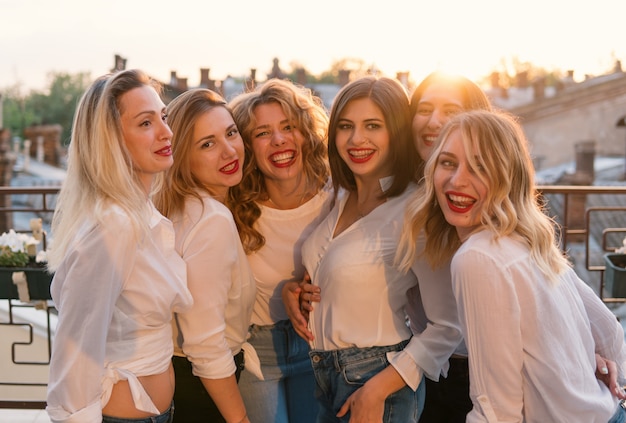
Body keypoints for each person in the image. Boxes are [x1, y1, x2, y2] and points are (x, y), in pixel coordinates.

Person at [398, 109, 626, 422]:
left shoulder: (477, 258)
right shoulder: (529, 238)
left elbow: (497, 413)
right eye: (448, 162)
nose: (457, 180)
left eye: (480, 167)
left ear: (508, 177)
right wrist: (591, 382)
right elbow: (611, 333)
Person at [45, 69, 193, 423]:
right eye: (145, 123)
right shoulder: (114, 225)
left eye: (163, 117)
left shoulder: (138, 213)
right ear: (110, 140)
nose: (166, 132)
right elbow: (76, 350)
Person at [299, 75, 424, 422]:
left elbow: (447, 327)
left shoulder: (415, 209)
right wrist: (297, 290)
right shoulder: (337, 196)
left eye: (373, 125)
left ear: (396, 133)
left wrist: (379, 389)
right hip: (323, 373)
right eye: (345, 126)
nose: (356, 139)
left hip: (377, 377)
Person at [227, 78, 332, 423]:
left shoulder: (336, 198)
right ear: (247, 147)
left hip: (318, 345)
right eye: (262, 133)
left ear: (306, 133)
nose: (279, 140)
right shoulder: (234, 206)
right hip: (255, 350)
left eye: (288, 127)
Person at [153, 88, 256, 423]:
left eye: (230, 133)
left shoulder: (172, 211)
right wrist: (239, 419)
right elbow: (205, 345)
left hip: (170, 378)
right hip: (200, 387)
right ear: (182, 156)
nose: (229, 151)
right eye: (207, 144)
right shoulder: (211, 220)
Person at [408, 71, 493, 423]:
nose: (434, 121)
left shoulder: (491, 195)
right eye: (424, 109)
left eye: (451, 110)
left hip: (488, 372)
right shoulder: (404, 196)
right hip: (433, 372)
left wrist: (588, 346)